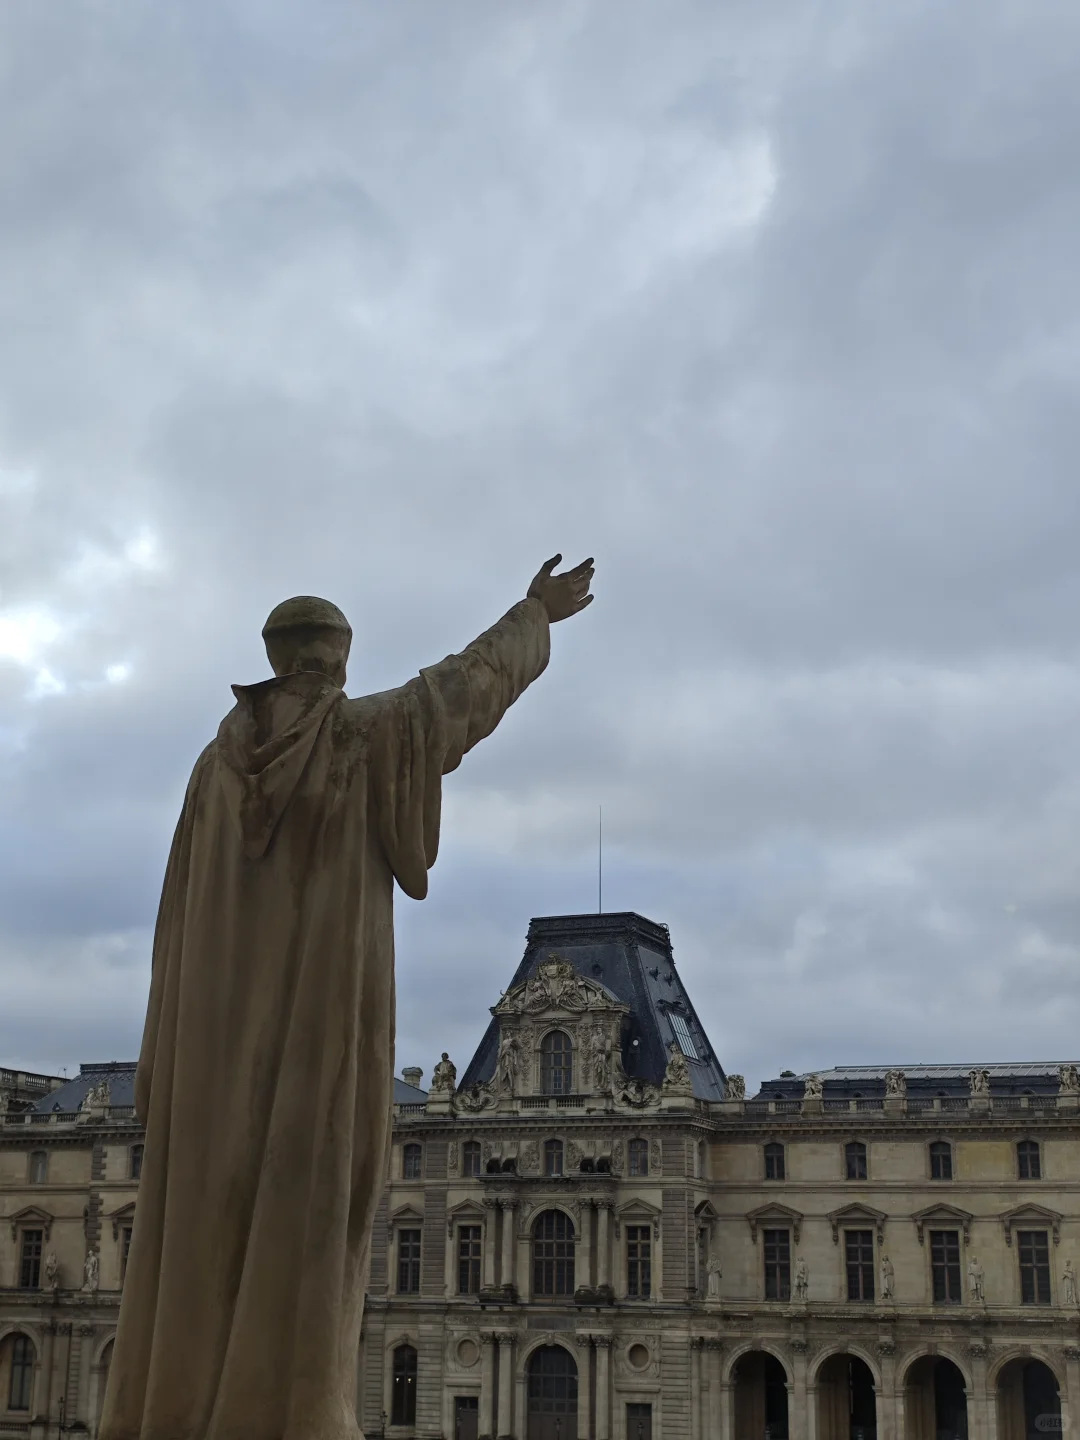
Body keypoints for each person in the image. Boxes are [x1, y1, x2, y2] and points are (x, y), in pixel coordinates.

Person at [100, 555, 594, 1440]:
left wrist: (158, 1056)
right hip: (318, 1025)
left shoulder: (210, 775)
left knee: (203, 1226)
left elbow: (171, 923)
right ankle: (289, 1413)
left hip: (209, 1047)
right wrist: (535, 614)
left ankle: (181, 1409)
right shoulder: (361, 736)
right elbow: (465, 689)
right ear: (335, 658)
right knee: (317, 1209)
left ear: (275, 658)